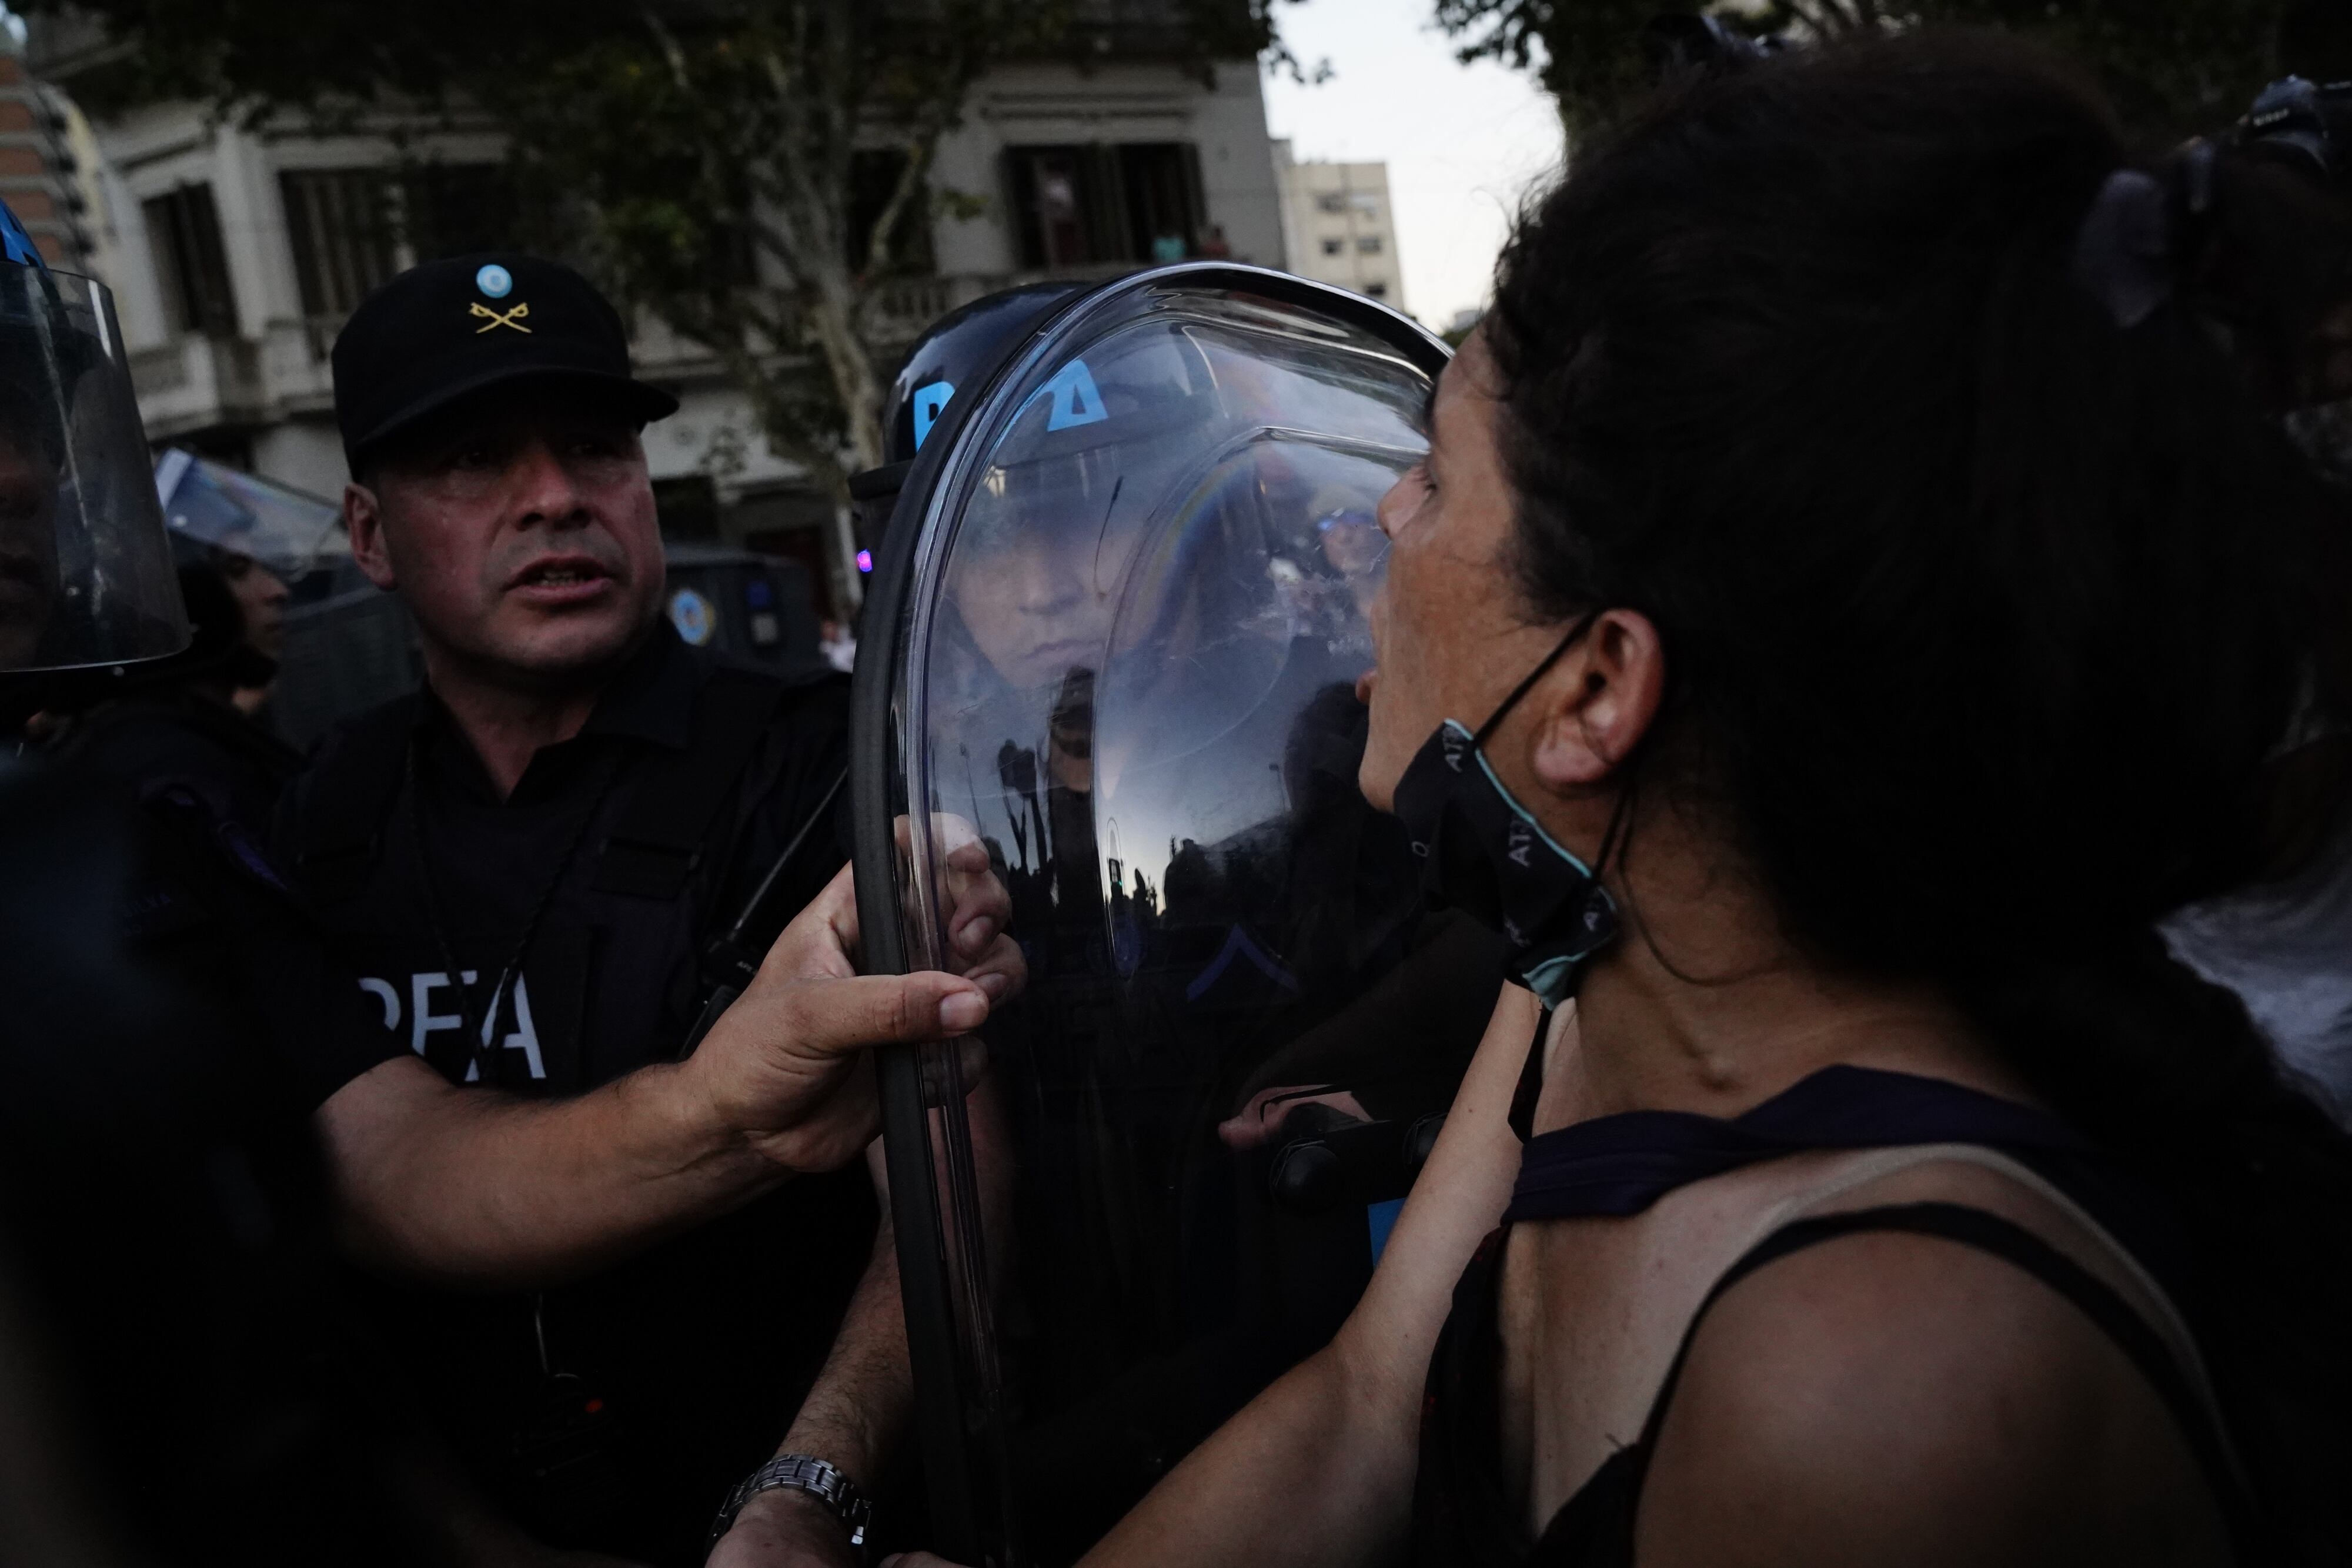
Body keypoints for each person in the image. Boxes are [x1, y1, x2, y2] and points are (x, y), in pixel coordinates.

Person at [883, 34, 2352, 1568]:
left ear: (1598, 690)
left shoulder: (1874, 1377)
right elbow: (1371, 1403)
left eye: (1440, 478)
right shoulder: (1586, 964)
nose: (1382, 517)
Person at [269, 252, 1009, 1566]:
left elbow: (954, 1181)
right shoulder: (310, 816)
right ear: (370, 536)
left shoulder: (825, 764)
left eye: (595, 448)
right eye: (473, 459)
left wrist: (808, 1486)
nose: (553, 497)